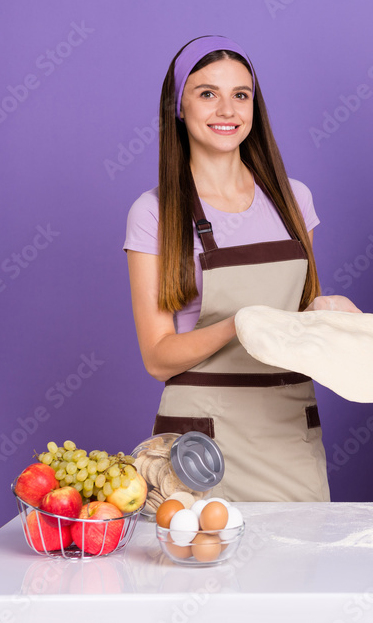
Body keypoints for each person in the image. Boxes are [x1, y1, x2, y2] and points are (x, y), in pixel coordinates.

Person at [124, 36, 351, 502]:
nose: (227, 109)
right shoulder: (154, 213)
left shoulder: (293, 199)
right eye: (208, 93)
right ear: (178, 108)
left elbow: (301, 313)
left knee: (300, 570)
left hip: (287, 430)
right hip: (201, 446)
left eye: (240, 95)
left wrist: (330, 313)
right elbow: (157, 356)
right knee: (200, 569)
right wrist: (240, 323)